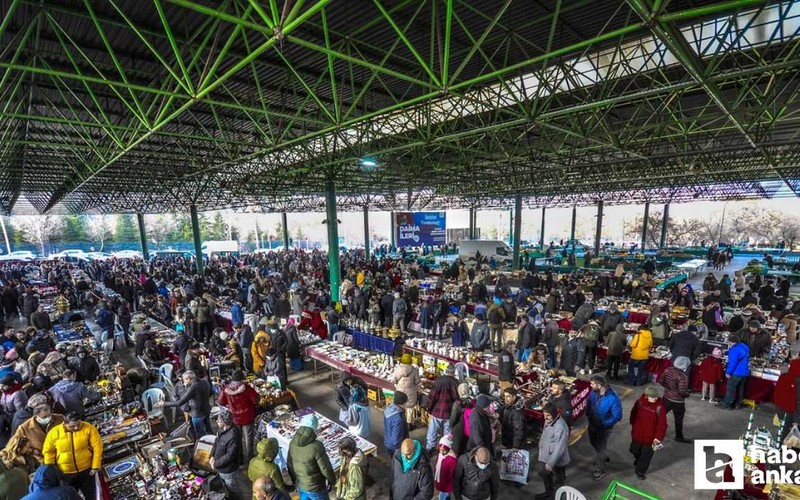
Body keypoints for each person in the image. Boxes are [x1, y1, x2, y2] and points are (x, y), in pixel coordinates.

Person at [42, 411, 102, 500]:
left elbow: (97, 447)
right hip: (65, 473)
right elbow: (48, 452)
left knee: (91, 495)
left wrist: (95, 466)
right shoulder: (54, 433)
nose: (76, 427)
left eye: (78, 424)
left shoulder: (88, 428)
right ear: (65, 423)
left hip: (86, 471)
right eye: (72, 426)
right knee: (69, 497)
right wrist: (52, 471)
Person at [5, 394, 64, 468]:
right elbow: (14, 444)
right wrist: (32, 451)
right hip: (41, 461)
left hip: (63, 456)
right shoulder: (24, 428)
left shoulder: (60, 419)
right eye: (44, 417)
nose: (48, 418)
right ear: (36, 416)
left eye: (49, 415)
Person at [287, 414, 336, 500]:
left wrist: (295, 481)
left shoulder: (293, 443)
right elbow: (325, 469)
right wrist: (332, 481)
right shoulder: (317, 446)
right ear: (314, 428)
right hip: (316, 487)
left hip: (301, 485)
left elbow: (290, 465)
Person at [218, 370, 260, 461]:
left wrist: (229, 404)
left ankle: (239, 458)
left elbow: (221, 402)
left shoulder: (226, 389)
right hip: (247, 417)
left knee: (237, 439)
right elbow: (255, 400)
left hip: (234, 418)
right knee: (248, 438)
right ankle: (249, 458)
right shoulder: (246, 388)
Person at [586, 375, 622, 481]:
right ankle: (602, 456)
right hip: (592, 424)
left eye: (592, 384)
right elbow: (589, 404)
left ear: (599, 385)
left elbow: (617, 415)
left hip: (604, 429)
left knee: (600, 449)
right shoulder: (594, 392)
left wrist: (604, 424)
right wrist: (589, 415)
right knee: (594, 443)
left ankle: (600, 470)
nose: (590, 385)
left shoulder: (613, 398)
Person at [629, 385, 668, 480]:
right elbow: (633, 413)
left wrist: (658, 438)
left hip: (651, 438)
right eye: (652, 397)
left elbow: (662, 424)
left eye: (656, 397)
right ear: (646, 396)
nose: (655, 398)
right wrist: (633, 424)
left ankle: (640, 471)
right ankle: (639, 461)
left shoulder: (660, 408)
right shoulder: (639, 403)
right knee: (634, 450)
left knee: (646, 456)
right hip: (638, 434)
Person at [158, 370, 212, 438]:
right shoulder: (205, 381)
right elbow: (211, 393)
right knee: (209, 430)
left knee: (200, 434)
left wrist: (164, 403)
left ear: (189, 379)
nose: (183, 382)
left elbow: (179, 402)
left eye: (184, 380)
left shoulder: (193, 388)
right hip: (206, 410)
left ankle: (204, 443)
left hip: (197, 413)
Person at [535, 403, 570, 500]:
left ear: (554, 414)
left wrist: (550, 463)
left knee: (558, 480)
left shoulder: (560, 427)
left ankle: (556, 497)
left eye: (548, 415)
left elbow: (559, 448)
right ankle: (549, 493)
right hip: (546, 456)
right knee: (546, 477)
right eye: (544, 414)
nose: (545, 417)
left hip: (556, 461)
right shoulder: (550, 420)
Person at [211, 410, 247, 500]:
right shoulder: (222, 430)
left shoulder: (233, 435)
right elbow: (216, 442)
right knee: (227, 487)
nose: (217, 422)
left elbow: (230, 455)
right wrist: (212, 456)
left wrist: (216, 464)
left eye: (219, 420)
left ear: (225, 422)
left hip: (229, 470)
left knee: (234, 489)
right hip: (221, 467)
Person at [426, 365, 459, 452]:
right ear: (454, 372)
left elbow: (431, 397)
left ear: (446, 371)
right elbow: (458, 399)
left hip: (437, 411)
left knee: (433, 431)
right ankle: (446, 448)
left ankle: (430, 448)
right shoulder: (456, 382)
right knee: (447, 432)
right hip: (449, 412)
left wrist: (428, 408)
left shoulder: (438, 381)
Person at [658, 356, 691, 443]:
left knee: (659, 414)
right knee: (678, 419)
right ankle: (679, 437)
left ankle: (652, 429)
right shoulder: (683, 377)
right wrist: (687, 394)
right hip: (678, 402)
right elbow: (682, 391)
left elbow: (661, 381)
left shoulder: (668, 370)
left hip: (666, 397)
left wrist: (669, 389)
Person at [720, 334, 750, 410]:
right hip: (745, 372)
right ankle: (738, 404)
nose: (728, 344)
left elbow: (732, 363)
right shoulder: (744, 347)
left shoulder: (734, 350)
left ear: (732, 342)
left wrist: (728, 372)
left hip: (736, 373)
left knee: (730, 388)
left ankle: (726, 404)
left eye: (729, 342)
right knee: (740, 388)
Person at [392, 354, 420, 424]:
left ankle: (400, 422)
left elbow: (393, 380)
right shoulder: (414, 370)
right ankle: (409, 424)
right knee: (409, 408)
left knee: (400, 407)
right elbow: (417, 381)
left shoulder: (398, 369)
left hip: (400, 392)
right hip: (411, 393)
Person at [384, 391, 408, 457]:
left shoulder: (388, 409)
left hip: (388, 441)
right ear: (402, 403)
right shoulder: (398, 419)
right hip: (395, 447)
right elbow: (396, 439)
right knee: (397, 462)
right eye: (406, 402)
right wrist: (401, 448)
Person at [434, 435, 457, 500]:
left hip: (446, 482)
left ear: (449, 449)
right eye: (440, 450)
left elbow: (452, 472)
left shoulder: (452, 459)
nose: (442, 452)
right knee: (442, 493)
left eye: (444, 450)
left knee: (443, 494)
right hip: (441, 479)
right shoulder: (440, 455)